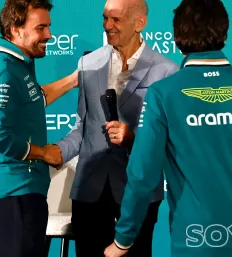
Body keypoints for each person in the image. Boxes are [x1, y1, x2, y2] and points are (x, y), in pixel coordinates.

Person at [104, 1, 232, 257]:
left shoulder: (163, 93)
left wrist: (123, 240)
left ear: (176, 37)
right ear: (224, 32)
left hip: (194, 242)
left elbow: (142, 175)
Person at [51, 0, 179, 256]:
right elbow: (82, 128)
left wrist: (133, 138)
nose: (107, 26)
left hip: (138, 192)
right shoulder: (89, 64)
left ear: (139, 23)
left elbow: (169, 142)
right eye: (105, 18)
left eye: (116, 19)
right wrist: (56, 152)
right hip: (89, 191)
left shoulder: (167, 71)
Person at [0, 0, 78, 256]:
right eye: (41, 28)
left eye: (48, 27)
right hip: (14, 194)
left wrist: (73, 79)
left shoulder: (19, 65)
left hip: (24, 193)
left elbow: (35, 98)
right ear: (15, 29)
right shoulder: (4, 71)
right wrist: (44, 153)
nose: (49, 35)